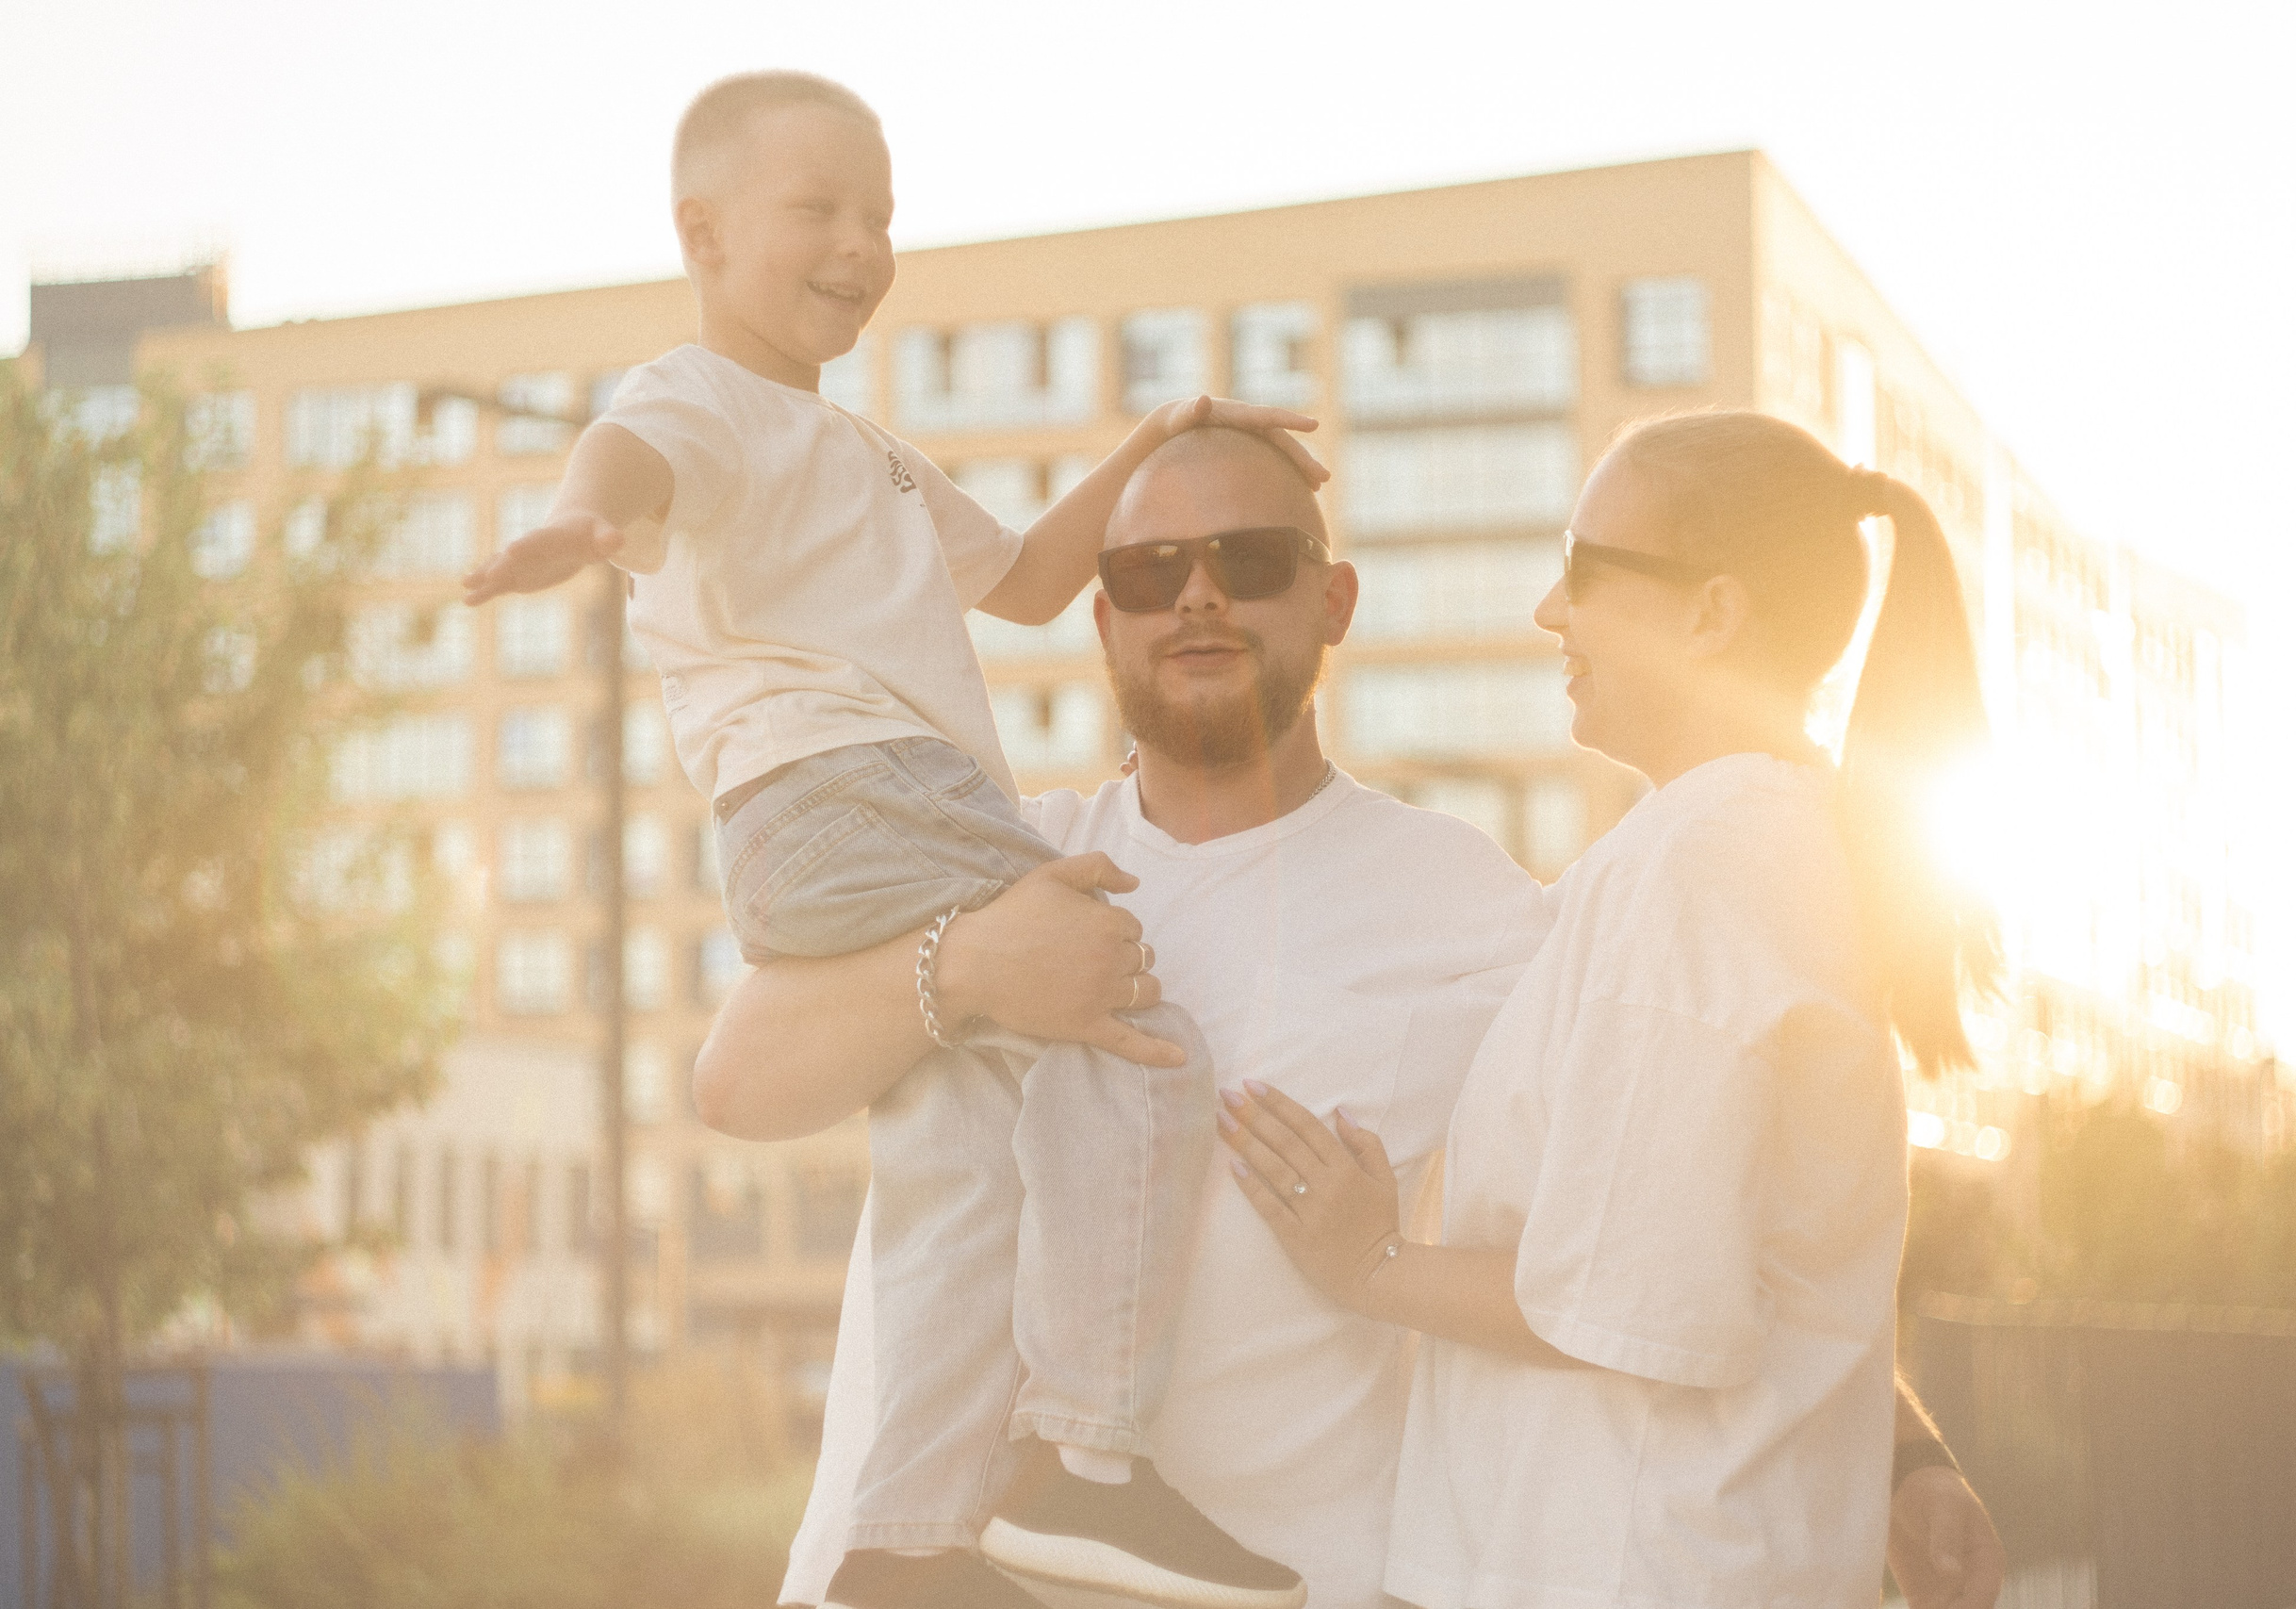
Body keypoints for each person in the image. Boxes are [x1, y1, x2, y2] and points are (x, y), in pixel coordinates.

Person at [698, 425, 2008, 1609]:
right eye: (1152, 571)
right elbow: (737, 1082)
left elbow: (1662, 1193)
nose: (1197, 594)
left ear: (1334, 601)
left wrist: (1900, 1450)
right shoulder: (999, 859)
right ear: (1102, 621)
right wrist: (974, 964)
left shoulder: (1483, 910)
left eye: (1249, 558)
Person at [458, 71, 1325, 1609]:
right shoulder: (700, 400)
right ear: (703, 235)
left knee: (959, 1146)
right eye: (821, 209)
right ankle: (1083, 1458)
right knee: (1139, 1037)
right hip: (852, 790)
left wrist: (1158, 435)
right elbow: (631, 457)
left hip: (864, 810)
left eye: (883, 216)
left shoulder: (864, 455)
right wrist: (585, 524)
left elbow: (1044, 579)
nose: (862, 243)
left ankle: (907, 1537)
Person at [1221, 410, 2005, 1609]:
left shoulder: (1706, 864)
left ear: (1712, 614)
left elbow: (1620, 1300)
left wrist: (1363, 1258)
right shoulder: (1742, 847)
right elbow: (1739, 1250)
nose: (1551, 612)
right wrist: (1905, 1451)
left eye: (1587, 571)